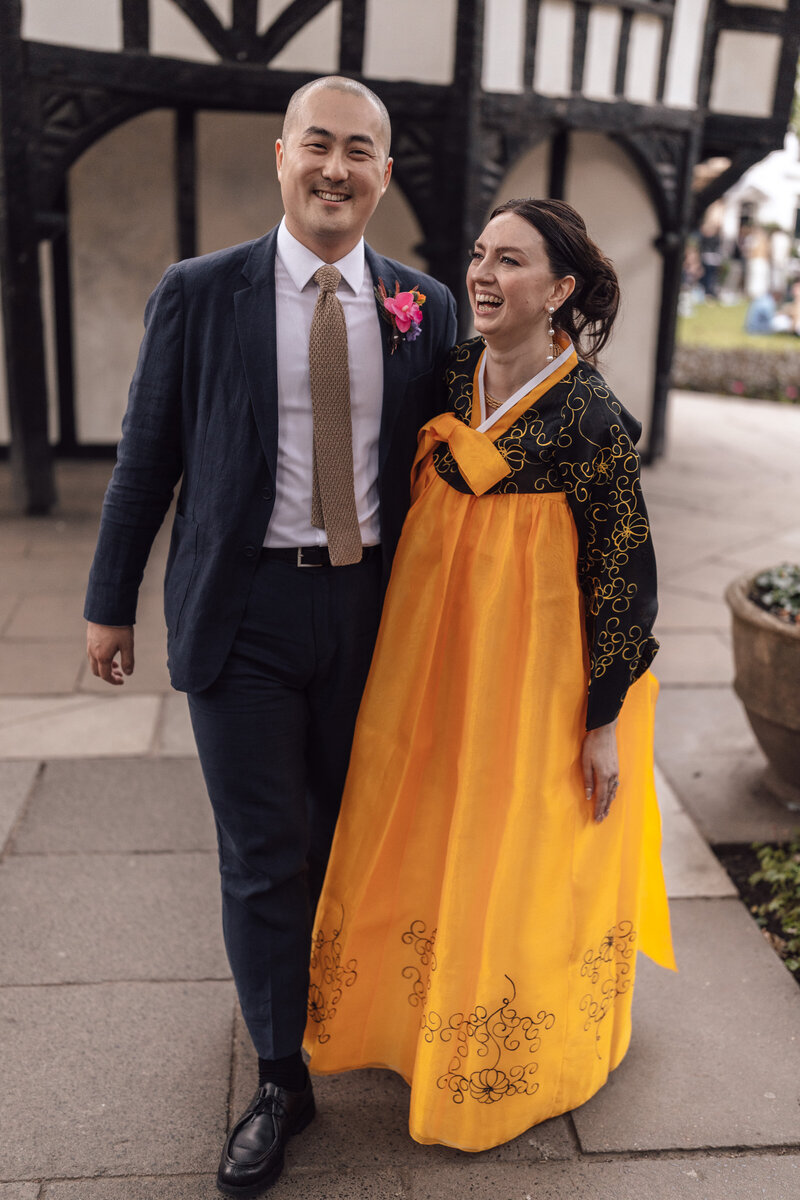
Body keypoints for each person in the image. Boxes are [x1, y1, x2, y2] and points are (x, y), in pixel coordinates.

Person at [84, 76, 456, 1195]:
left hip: (371, 614)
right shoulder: (198, 293)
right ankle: (279, 1075)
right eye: (318, 145)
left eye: (360, 150)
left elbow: (459, 467)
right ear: (282, 157)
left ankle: (355, 1013)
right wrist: (109, 602)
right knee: (261, 852)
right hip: (240, 610)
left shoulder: (423, 306)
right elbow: (146, 457)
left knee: (351, 836)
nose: (336, 167)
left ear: (383, 175)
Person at [304, 198, 676, 1152]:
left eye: (509, 261)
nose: (482, 274)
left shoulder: (593, 419)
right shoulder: (454, 370)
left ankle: (512, 1054)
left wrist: (602, 721)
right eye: (478, 254)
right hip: (430, 655)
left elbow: (622, 578)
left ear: (558, 291)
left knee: (515, 851)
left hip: (531, 674)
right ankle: (402, 1020)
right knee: (421, 824)